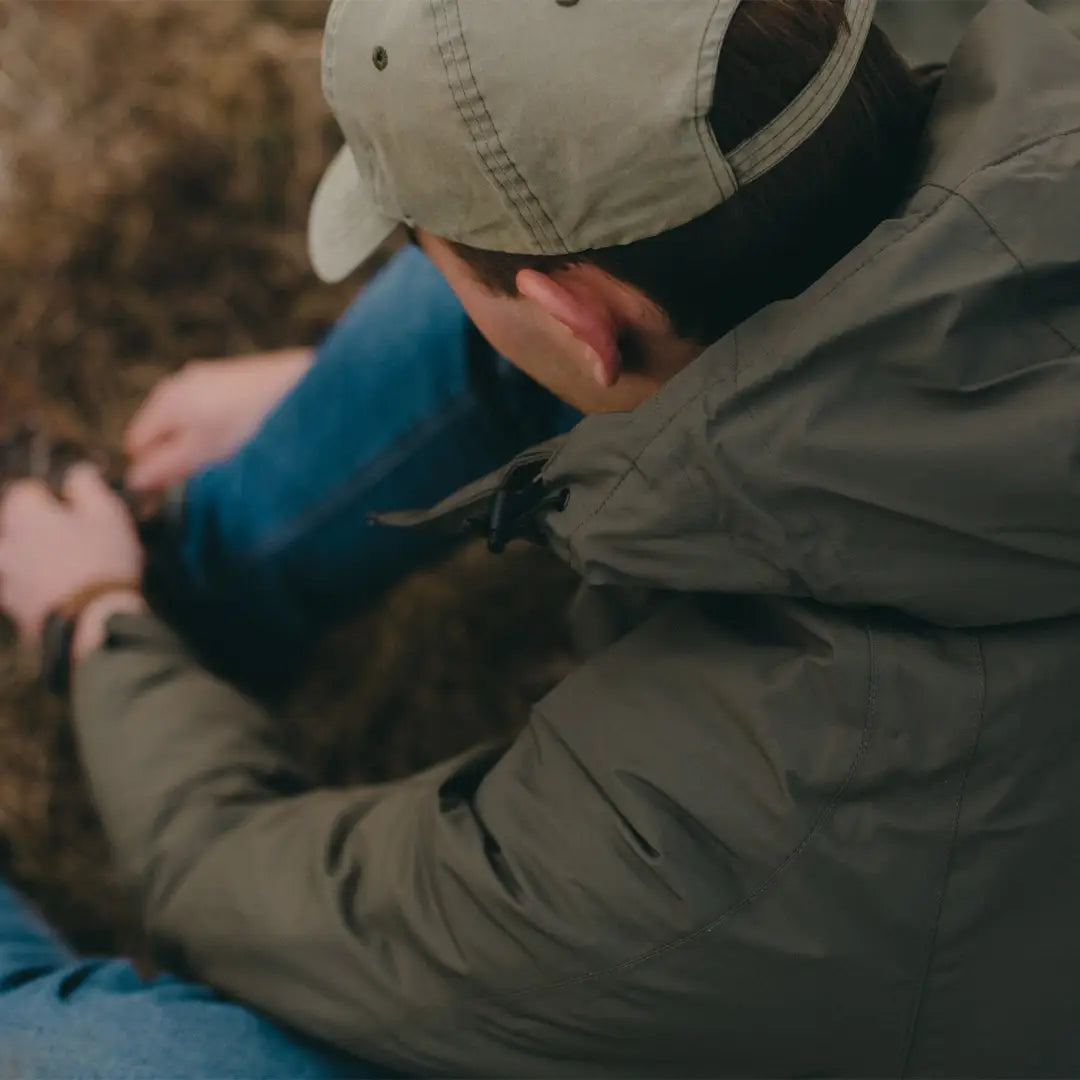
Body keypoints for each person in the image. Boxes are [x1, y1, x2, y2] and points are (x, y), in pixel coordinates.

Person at [3, 0, 1080, 1074]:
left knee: (102, 1053)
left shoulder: (693, 839)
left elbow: (241, 887)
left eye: (431, 260)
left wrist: (96, 618)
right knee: (557, 260)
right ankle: (200, 571)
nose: (439, 287)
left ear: (579, 325)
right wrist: (344, 381)